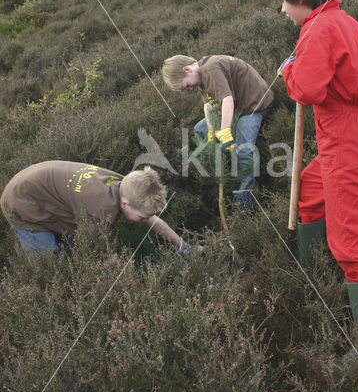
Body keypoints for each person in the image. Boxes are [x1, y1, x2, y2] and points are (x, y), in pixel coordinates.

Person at [264, 0, 358, 338]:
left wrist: (289, 71)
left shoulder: (318, 29)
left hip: (346, 136)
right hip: (357, 128)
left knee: (352, 235)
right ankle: (312, 272)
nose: (282, 11)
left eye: (284, 2)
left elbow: (308, 88)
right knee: (311, 191)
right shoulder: (343, 20)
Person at [1, 161, 197, 259]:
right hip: (21, 202)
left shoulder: (126, 184)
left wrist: (183, 246)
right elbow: (108, 258)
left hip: (38, 185)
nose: (143, 219)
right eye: (141, 216)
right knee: (50, 262)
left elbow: (152, 218)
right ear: (125, 205)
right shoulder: (101, 212)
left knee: (71, 248)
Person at [162, 54, 273, 209]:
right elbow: (209, 106)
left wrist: (225, 131)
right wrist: (211, 132)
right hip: (236, 108)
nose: (190, 88)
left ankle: (245, 201)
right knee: (199, 129)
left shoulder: (211, 68)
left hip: (253, 106)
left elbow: (227, 100)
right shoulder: (200, 76)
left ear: (187, 69)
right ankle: (225, 170)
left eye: (186, 85)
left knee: (244, 150)